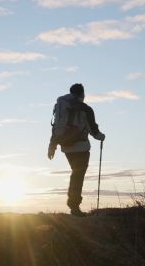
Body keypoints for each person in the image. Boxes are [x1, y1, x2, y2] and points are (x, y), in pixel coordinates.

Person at [48, 83, 105, 217]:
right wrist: (101, 137)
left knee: (75, 174)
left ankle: (73, 205)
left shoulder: (61, 106)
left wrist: (52, 146)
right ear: (82, 94)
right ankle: (74, 207)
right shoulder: (85, 109)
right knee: (78, 176)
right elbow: (93, 131)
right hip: (81, 147)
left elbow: (57, 126)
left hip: (66, 146)